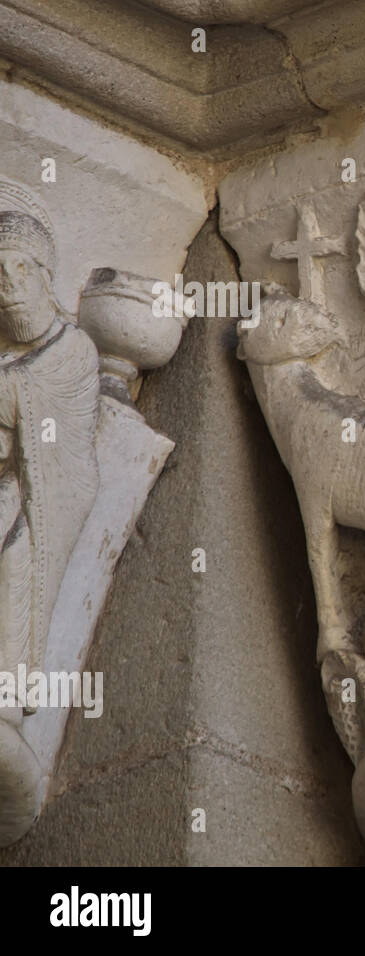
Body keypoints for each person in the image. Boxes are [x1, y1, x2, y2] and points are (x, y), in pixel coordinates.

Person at [0, 209, 100, 722]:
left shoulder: (75, 347)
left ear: (45, 276)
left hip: (45, 495)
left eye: (20, 271)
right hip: (11, 481)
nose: (8, 286)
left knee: (13, 553)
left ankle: (10, 693)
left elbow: (56, 434)